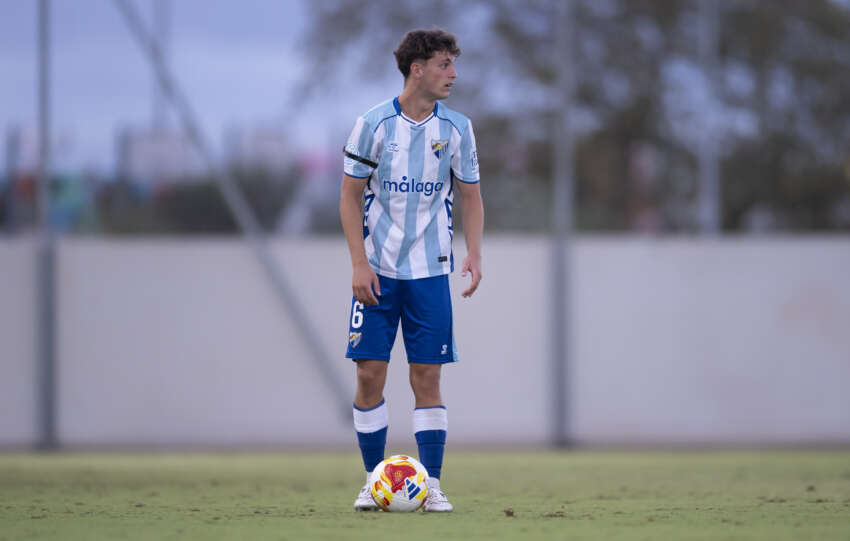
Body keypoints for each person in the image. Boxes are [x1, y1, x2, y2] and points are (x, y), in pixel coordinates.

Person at [339, 28, 483, 512]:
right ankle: (372, 480)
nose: (454, 74)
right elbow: (349, 195)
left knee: (426, 376)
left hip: (430, 273)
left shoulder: (457, 128)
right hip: (377, 271)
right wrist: (359, 263)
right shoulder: (372, 125)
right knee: (368, 376)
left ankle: (434, 485)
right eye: (445, 64)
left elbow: (471, 196)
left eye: (453, 64)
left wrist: (475, 253)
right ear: (416, 68)